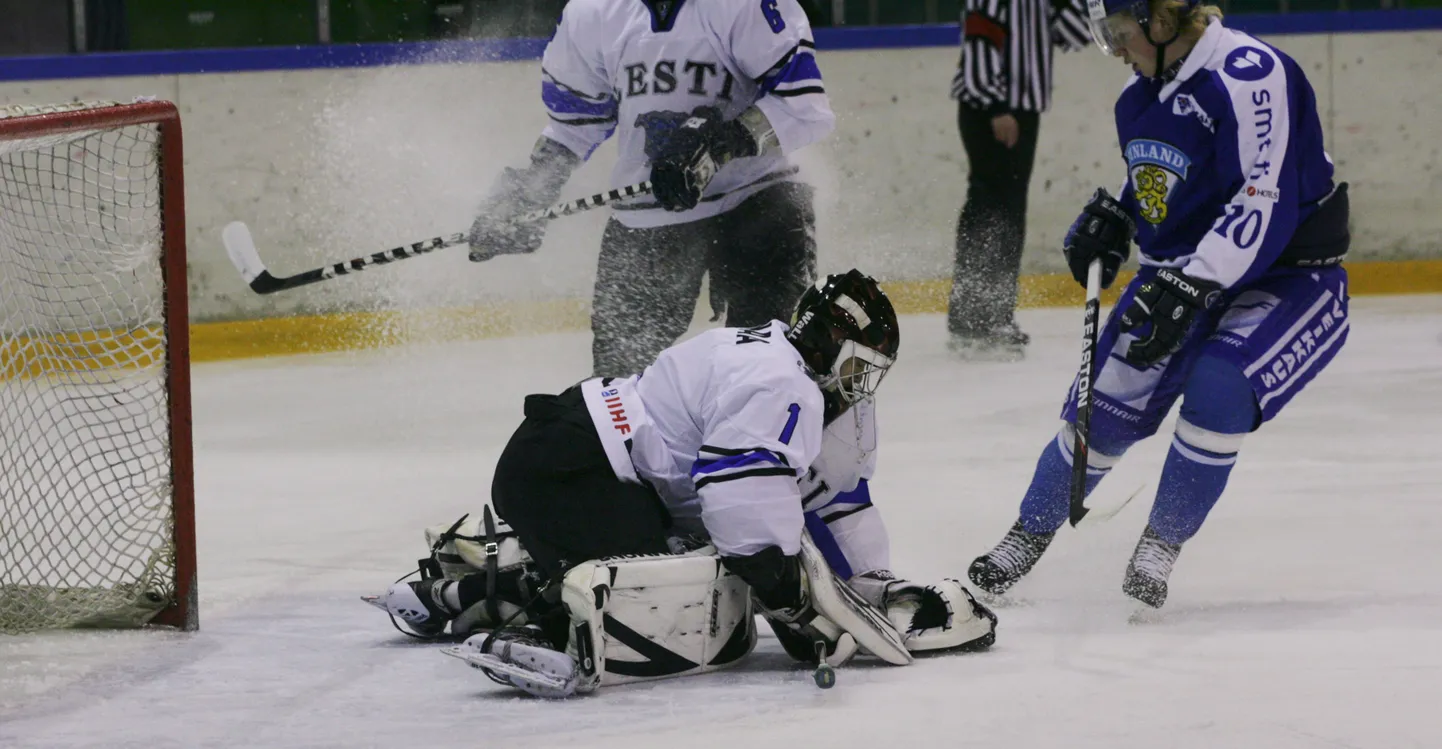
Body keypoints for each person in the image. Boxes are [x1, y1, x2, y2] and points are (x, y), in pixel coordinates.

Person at [370, 271, 997, 696]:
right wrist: (793, 599)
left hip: (570, 459)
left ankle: (464, 589)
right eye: (859, 365)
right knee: (681, 584)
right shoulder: (784, 385)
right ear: (832, 342)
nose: (861, 385)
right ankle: (533, 620)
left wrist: (871, 583)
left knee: (692, 562)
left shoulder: (783, 363)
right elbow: (742, 510)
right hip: (569, 471)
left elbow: (836, 502)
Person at [967, 0, 1350, 608]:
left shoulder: (1248, 73)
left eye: (1122, 34)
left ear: (1164, 21)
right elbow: (1166, 183)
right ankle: (1026, 535)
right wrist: (1121, 214)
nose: (1117, 49)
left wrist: (1192, 286)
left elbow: (1262, 195)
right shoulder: (1140, 93)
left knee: (1219, 389)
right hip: (1185, 275)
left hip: (1287, 277)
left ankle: (1161, 543)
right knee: (1106, 410)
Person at [467, 0, 833, 377]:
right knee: (616, 385)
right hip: (649, 213)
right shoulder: (592, 12)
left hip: (757, 204)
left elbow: (803, 104)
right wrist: (532, 189)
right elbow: (575, 122)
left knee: (768, 373)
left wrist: (722, 143)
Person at [947, 0, 1090, 359]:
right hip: (992, 111)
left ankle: (994, 313)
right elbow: (979, 43)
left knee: (1009, 211)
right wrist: (996, 108)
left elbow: (1077, 34)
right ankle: (972, 314)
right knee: (989, 207)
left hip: (1022, 112)